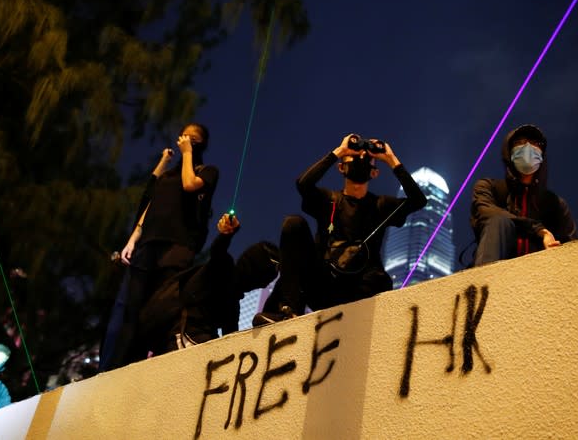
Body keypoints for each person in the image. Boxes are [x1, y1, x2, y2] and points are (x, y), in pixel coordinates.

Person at [254, 134, 427, 324]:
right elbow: (303, 184)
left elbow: (418, 200)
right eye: (352, 157)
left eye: (365, 159)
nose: (359, 159)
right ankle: (288, 310)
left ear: (374, 172)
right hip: (323, 286)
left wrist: (390, 158)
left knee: (379, 279)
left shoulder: (380, 205)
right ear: (341, 167)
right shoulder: (329, 200)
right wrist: (340, 151)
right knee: (293, 224)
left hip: (361, 289)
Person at [100, 123, 218, 371]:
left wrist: (187, 153)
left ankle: (153, 366)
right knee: (132, 309)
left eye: (193, 138)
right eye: (184, 135)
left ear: (202, 144)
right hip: (147, 246)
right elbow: (149, 206)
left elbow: (189, 185)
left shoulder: (207, 171)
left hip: (177, 247)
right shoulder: (166, 177)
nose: (187, 140)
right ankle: (121, 367)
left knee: (161, 309)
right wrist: (132, 239)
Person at [137, 213, 280, 354]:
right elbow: (218, 251)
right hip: (185, 332)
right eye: (264, 280)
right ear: (254, 272)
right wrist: (226, 234)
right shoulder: (224, 268)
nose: (263, 286)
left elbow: (231, 339)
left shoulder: (233, 303)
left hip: (192, 337)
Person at [470, 124, 577, 266]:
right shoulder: (489, 187)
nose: (527, 148)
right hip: (499, 273)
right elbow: (485, 211)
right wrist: (539, 230)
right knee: (499, 221)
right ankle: (486, 281)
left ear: (542, 155)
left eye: (535, 143)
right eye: (519, 142)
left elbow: (573, 245)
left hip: (540, 274)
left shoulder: (555, 204)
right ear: (508, 152)